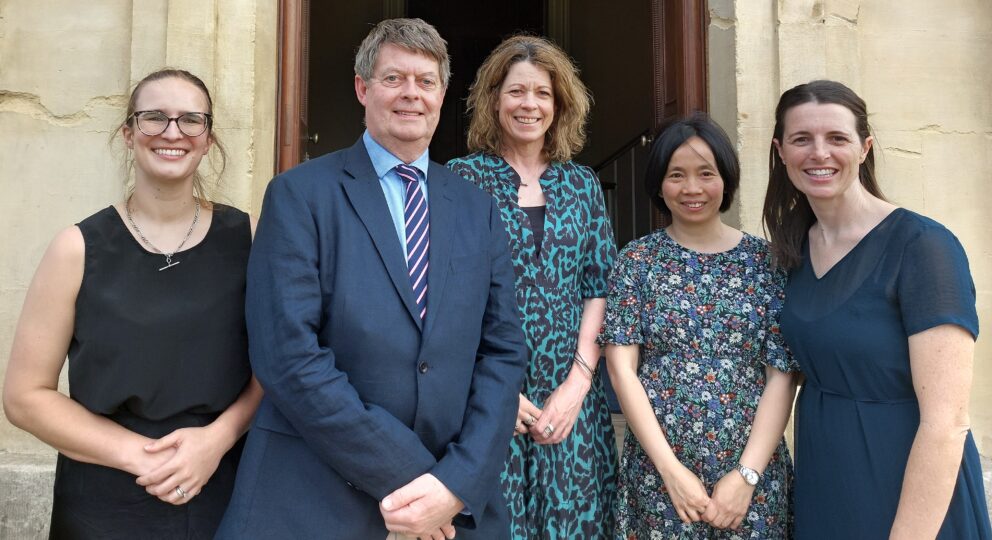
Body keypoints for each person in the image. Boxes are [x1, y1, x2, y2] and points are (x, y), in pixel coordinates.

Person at [215, 18, 528, 540]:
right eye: (393, 79)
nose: (411, 94)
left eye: (425, 81)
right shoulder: (299, 196)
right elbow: (287, 355)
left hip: (453, 506)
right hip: (314, 498)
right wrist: (417, 479)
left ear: (442, 93)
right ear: (363, 88)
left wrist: (457, 484)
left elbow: (503, 351)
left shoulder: (478, 209)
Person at [2, 68, 262, 538]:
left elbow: (278, 369)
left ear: (207, 139)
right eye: (154, 117)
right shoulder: (77, 249)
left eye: (190, 120)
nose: (172, 132)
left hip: (224, 486)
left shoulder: (249, 238)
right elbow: (25, 397)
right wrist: (145, 456)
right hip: (105, 499)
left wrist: (216, 440)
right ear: (128, 134)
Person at [763, 79, 992, 539]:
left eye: (837, 138)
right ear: (780, 151)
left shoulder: (923, 247)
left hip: (910, 479)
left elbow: (946, 424)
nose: (819, 153)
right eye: (802, 139)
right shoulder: (792, 253)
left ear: (865, 149)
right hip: (826, 471)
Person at [446, 35, 618, 538]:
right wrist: (495, 389)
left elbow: (599, 284)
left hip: (571, 400)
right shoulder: (460, 180)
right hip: (484, 396)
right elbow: (449, 295)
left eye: (542, 93)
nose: (529, 104)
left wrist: (579, 383)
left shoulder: (582, 183)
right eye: (516, 91)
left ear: (559, 104)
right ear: (493, 99)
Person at [600, 114, 798, 538]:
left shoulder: (766, 263)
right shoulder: (636, 261)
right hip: (660, 476)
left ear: (726, 179)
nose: (692, 188)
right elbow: (621, 370)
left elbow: (783, 375)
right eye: (677, 175)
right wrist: (671, 472)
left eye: (706, 173)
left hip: (751, 478)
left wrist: (746, 476)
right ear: (658, 183)